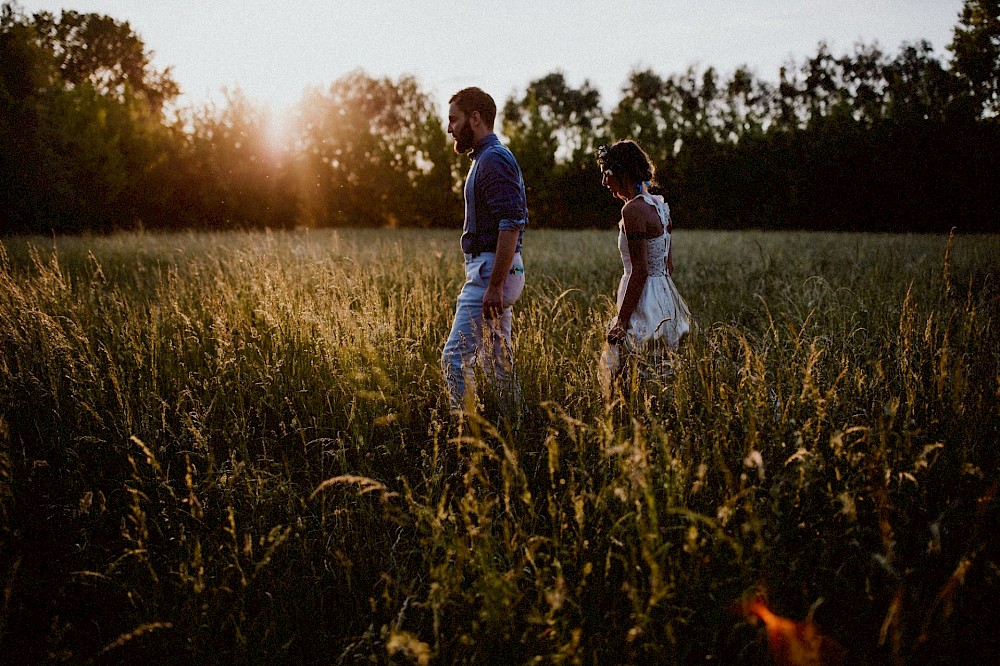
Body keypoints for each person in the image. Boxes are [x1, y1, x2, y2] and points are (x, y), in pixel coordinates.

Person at [441, 87, 527, 413]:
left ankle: (465, 436)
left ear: (475, 119)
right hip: (495, 269)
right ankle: (516, 424)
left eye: (454, 119)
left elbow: (511, 222)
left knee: (453, 359)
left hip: (492, 271)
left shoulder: (494, 160)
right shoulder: (486, 159)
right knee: (496, 360)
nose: (450, 128)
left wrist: (494, 285)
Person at [596, 140, 692, 396]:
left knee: (627, 373)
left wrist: (622, 321)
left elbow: (640, 270)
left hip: (642, 297)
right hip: (664, 295)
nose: (605, 182)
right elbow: (667, 264)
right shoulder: (660, 206)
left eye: (607, 173)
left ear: (622, 172)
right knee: (661, 371)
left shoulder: (633, 210)